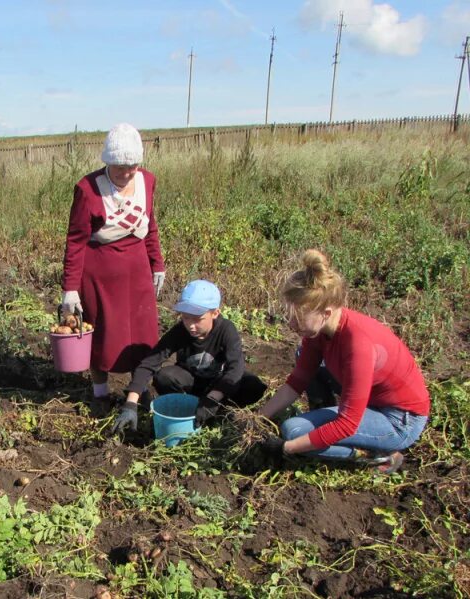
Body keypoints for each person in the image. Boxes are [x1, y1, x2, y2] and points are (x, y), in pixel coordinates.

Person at [257, 249, 430, 473]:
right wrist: (257, 417)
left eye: (298, 318)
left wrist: (286, 448)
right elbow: (296, 383)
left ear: (326, 313)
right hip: (370, 399)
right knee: (305, 358)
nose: (291, 323)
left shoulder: (358, 344)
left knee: (294, 432)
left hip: (398, 419)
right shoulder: (319, 332)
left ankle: (377, 456)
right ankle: (322, 423)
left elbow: (348, 423)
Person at [61, 123, 165, 404]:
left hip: (138, 273)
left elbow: (150, 225)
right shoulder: (88, 189)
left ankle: (139, 390)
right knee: (104, 333)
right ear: (107, 161)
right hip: (100, 278)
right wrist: (70, 288)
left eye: (132, 165)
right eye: (119, 166)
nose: (126, 172)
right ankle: (100, 393)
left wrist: (157, 263)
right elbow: (76, 241)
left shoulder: (147, 181)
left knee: (141, 333)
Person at [113, 280, 267, 433]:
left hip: (218, 383)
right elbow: (150, 363)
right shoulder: (180, 331)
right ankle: (189, 407)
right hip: (191, 383)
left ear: (215, 313)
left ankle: (221, 411)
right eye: (186, 318)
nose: (191, 325)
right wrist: (131, 405)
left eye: (197, 319)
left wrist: (213, 399)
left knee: (253, 386)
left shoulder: (226, 330)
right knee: (164, 377)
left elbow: (235, 368)